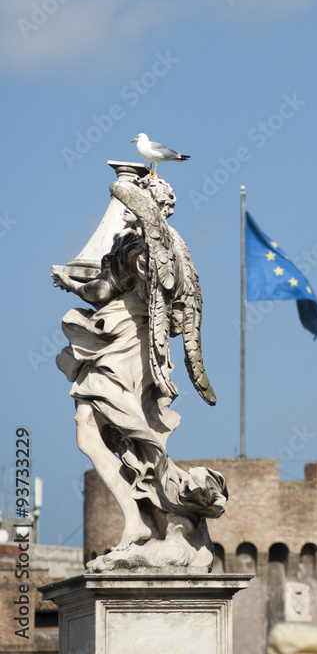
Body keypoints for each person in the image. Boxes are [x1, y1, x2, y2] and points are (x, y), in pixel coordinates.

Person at [52, 174, 226, 570]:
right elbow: (112, 291)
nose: (124, 211)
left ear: (151, 207)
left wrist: (75, 283)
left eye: (131, 205)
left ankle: (140, 519)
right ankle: (143, 517)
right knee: (107, 435)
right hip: (125, 341)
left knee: (99, 432)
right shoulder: (151, 245)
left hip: (128, 345)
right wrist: (75, 284)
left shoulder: (150, 244)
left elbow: (118, 292)